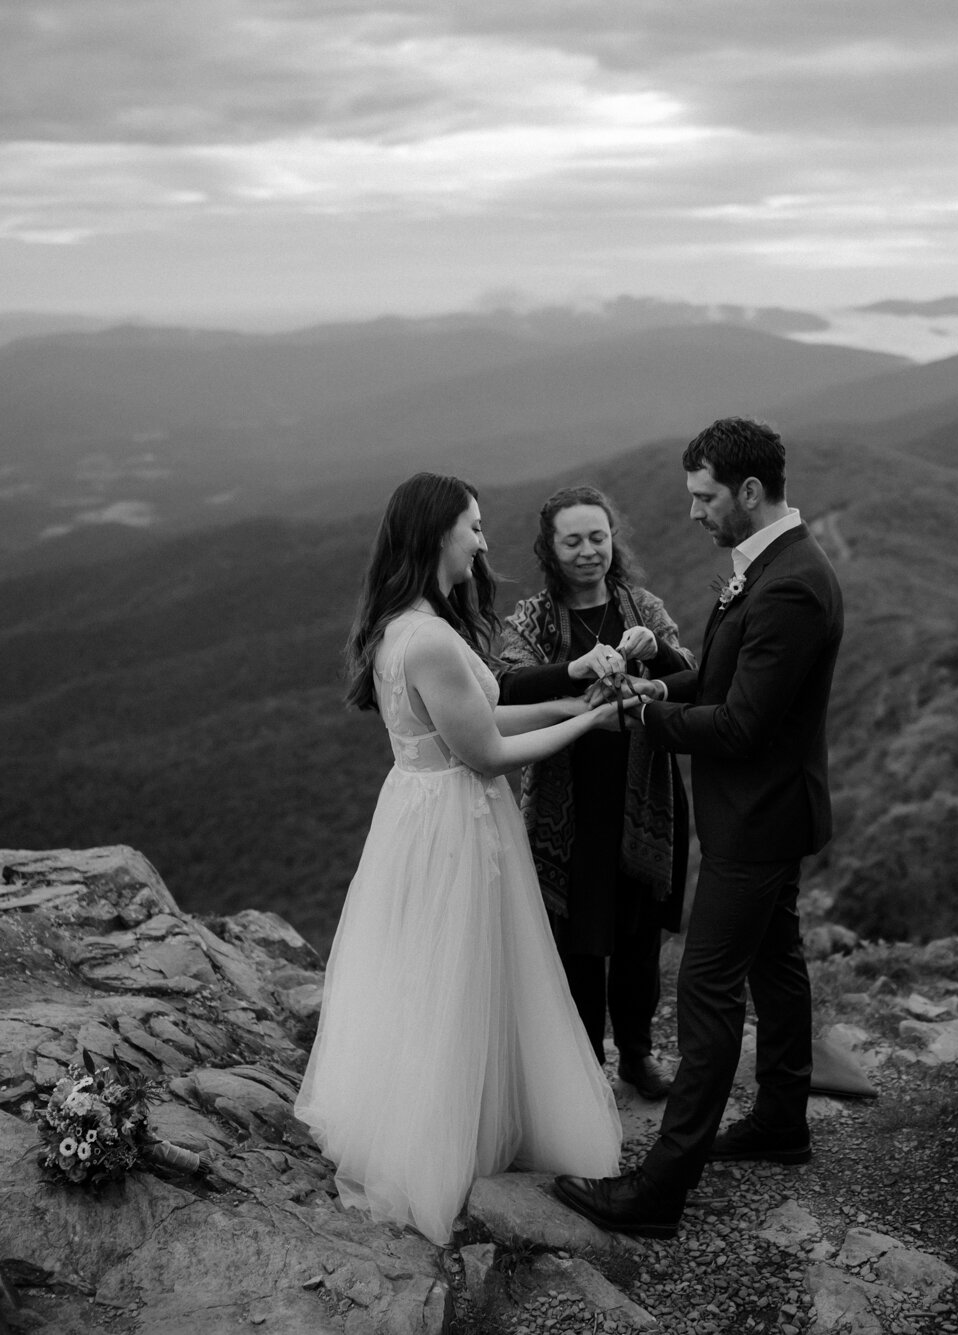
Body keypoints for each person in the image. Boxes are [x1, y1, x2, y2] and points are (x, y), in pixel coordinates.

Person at [293, 472, 623, 1245]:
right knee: (460, 972)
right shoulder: (432, 639)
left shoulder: (407, 626)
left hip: (420, 811)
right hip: (454, 820)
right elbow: (487, 752)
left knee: (438, 974)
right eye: (472, 526)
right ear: (438, 534)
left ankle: (454, 1120)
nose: (483, 539)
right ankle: (447, 1146)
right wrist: (595, 722)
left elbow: (484, 712)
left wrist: (572, 699)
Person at [552, 418, 844, 1240]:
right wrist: (664, 672)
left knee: (706, 993)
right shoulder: (772, 566)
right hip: (769, 812)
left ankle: (658, 1190)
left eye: (703, 496)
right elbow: (724, 682)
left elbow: (742, 726)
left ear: (749, 492)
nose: (692, 513)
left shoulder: (787, 583)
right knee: (778, 962)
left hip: (756, 820)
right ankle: (782, 1121)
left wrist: (647, 712)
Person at [496, 485, 694, 1102]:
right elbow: (502, 683)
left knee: (637, 936)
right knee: (578, 941)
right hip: (569, 802)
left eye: (598, 538)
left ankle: (636, 1054)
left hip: (644, 796)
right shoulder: (533, 617)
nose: (588, 552)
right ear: (550, 549)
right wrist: (575, 670)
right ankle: (585, 1067)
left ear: (614, 541)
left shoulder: (641, 606)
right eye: (573, 540)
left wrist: (654, 650)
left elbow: (692, 675)